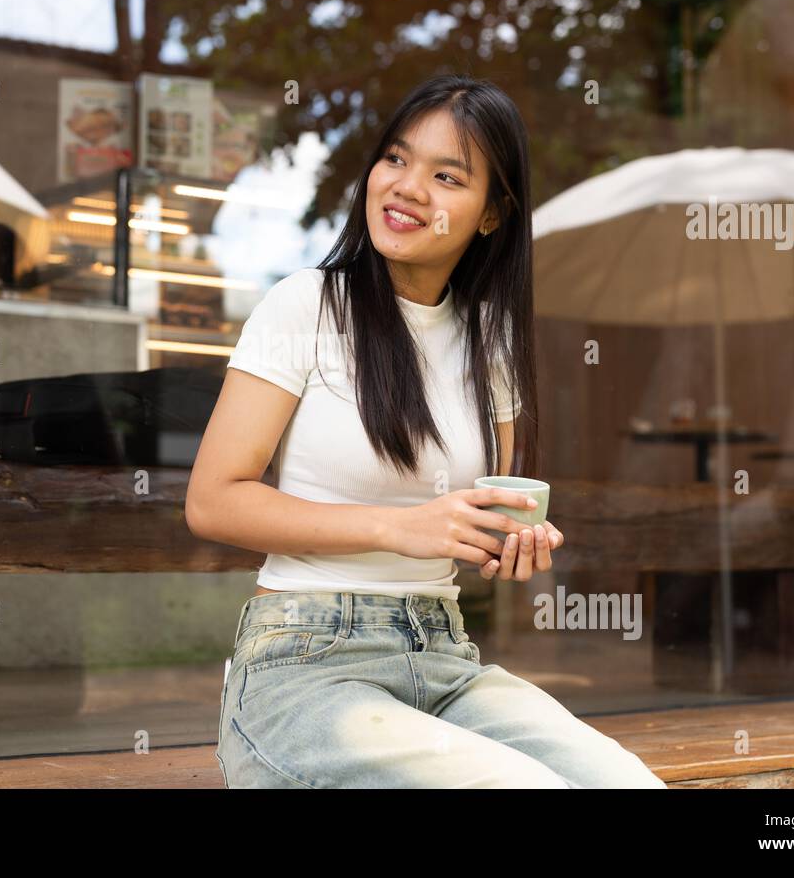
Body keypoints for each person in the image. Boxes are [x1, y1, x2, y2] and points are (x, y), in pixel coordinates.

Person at [185, 73, 666, 788]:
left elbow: (483, 518)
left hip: (442, 656)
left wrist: (510, 544)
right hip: (303, 665)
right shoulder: (307, 307)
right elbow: (213, 501)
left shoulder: (488, 341)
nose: (408, 187)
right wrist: (399, 526)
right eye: (396, 159)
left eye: (447, 175)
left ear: (492, 214)